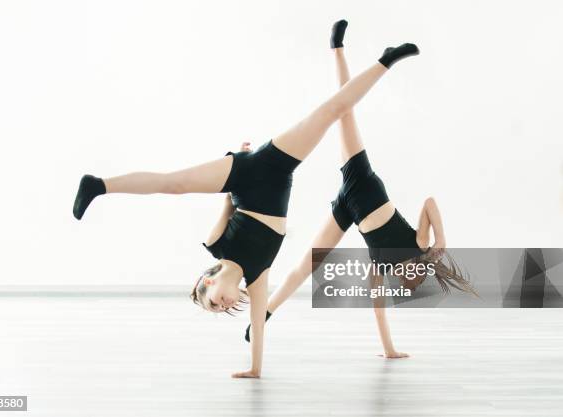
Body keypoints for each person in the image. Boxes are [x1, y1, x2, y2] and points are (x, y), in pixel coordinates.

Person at [72, 23, 420, 377]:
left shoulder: (215, 245)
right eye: (220, 311)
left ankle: (98, 185)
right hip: (279, 173)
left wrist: (236, 157)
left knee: (174, 183)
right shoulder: (256, 278)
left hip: (248, 172)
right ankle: (375, 57)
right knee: (332, 113)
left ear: (207, 283)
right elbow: (259, 324)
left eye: (213, 304)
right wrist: (254, 369)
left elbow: (227, 203)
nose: (222, 307)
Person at [243, 20, 476, 358]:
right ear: (419, 264)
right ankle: (356, 52)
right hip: (362, 183)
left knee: (305, 265)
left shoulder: (382, 268)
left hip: (348, 206)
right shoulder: (419, 244)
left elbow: (378, 310)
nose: (408, 274)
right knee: (345, 112)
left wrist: (390, 350)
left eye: (407, 279)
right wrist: (441, 239)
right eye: (416, 272)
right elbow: (429, 202)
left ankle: (262, 316)